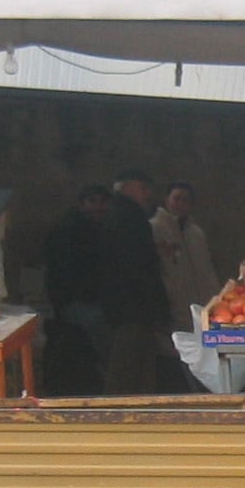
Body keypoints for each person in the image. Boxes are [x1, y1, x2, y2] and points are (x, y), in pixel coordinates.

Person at [95, 169, 171, 395]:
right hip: (132, 305)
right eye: (142, 188)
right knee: (127, 365)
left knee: (141, 362)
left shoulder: (122, 215)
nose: (147, 194)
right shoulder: (126, 217)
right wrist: (155, 302)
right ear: (127, 187)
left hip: (130, 304)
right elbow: (135, 262)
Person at [149, 181, 221, 392]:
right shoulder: (155, 228)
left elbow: (206, 268)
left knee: (202, 353)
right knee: (175, 352)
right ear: (167, 200)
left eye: (186, 200)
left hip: (200, 302)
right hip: (174, 300)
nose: (181, 204)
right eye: (176, 198)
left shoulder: (196, 233)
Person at [42, 184, 112, 394]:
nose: (98, 207)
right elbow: (68, 273)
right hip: (75, 302)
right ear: (81, 205)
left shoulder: (102, 230)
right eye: (92, 201)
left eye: (102, 202)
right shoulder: (70, 232)